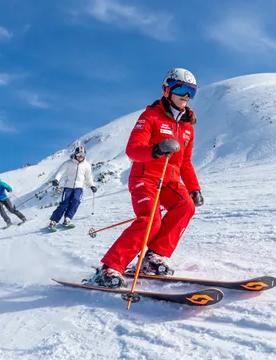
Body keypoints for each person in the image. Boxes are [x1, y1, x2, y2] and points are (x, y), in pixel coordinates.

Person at [87, 68, 204, 288]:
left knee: (186, 206)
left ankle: (154, 257)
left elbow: (185, 163)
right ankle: (111, 267)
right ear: (167, 89)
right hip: (146, 177)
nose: (186, 96)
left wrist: (194, 188)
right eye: (181, 88)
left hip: (170, 181)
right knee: (151, 220)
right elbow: (133, 150)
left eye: (191, 91)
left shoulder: (188, 126)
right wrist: (156, 150)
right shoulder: (150, 116)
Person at [47, 145, 97, 231]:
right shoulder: (68, 163)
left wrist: (92, 185)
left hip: (79, 188)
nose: (81, 157)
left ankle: (67, 219)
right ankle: (53, 221)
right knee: (64, 203)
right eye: (79, 155)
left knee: (76, 201)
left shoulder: (87, 165)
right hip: (68, 187)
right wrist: (56, 180)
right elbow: (60, 172)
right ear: (75, 154)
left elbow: (89, 178)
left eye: (82, 155)